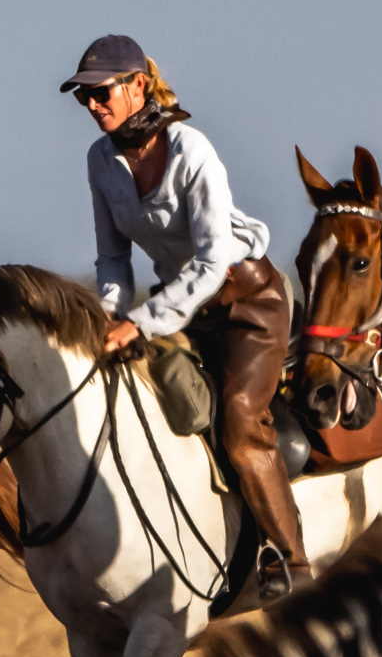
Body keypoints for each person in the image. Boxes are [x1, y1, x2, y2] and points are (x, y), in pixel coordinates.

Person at [61, 32, 305, 609]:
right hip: (178, 306)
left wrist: (141, 324)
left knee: (241, 421)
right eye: (83, 98)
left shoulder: (190, 149)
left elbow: (213, 260)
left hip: (249, 304)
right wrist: (111, 318)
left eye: (101, 93)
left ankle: (293, 561)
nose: (92, 106)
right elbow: (113, 256)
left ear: (138, 85)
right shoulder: (99, 161)